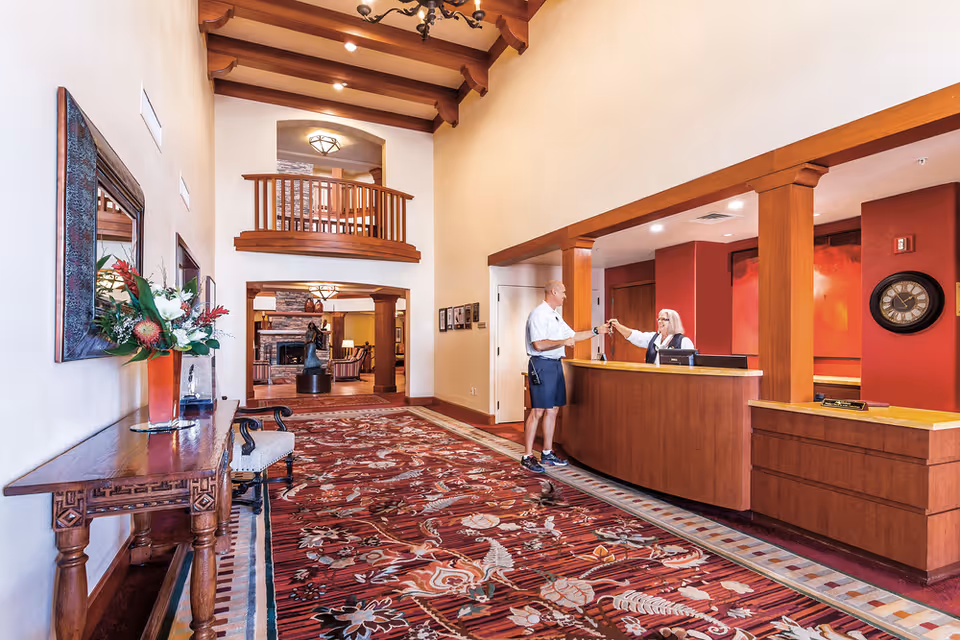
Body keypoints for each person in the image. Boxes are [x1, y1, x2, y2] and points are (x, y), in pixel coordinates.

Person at [523, 280, 609, 473]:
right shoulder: (539, 314)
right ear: (553, 292)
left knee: (553, 410)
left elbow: (573, 336)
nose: (565, 296)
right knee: (538, 411)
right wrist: (564, 341)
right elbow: (538, 345)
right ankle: (527, 456)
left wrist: (597, 331)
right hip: (541, 364)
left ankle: (546, 453)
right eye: (563, 292)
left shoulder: (555, 316)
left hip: (555, 364)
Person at [608, 309, 694, 364]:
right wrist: (618, 326)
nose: (660, 321)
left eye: (663, 319)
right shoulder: (653, 337)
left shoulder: (684, 341)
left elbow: (691, 365)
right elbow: (635, 336)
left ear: (673, 322)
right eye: (659, 319)